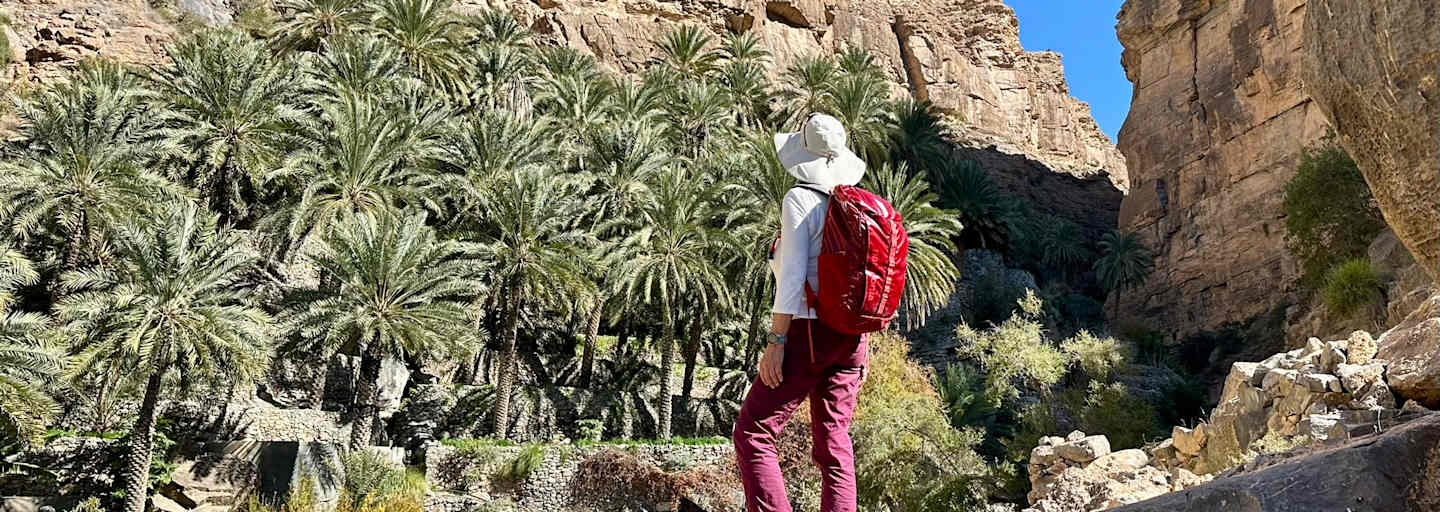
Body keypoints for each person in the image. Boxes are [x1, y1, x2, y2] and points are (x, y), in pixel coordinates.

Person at [733, 113, 869, 512]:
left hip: (809, 335)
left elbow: (791, 277)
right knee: (834, 441)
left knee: (754, 431)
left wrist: (776, 341)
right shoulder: (857, 208)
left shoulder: (800, 199)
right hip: (851, 339)